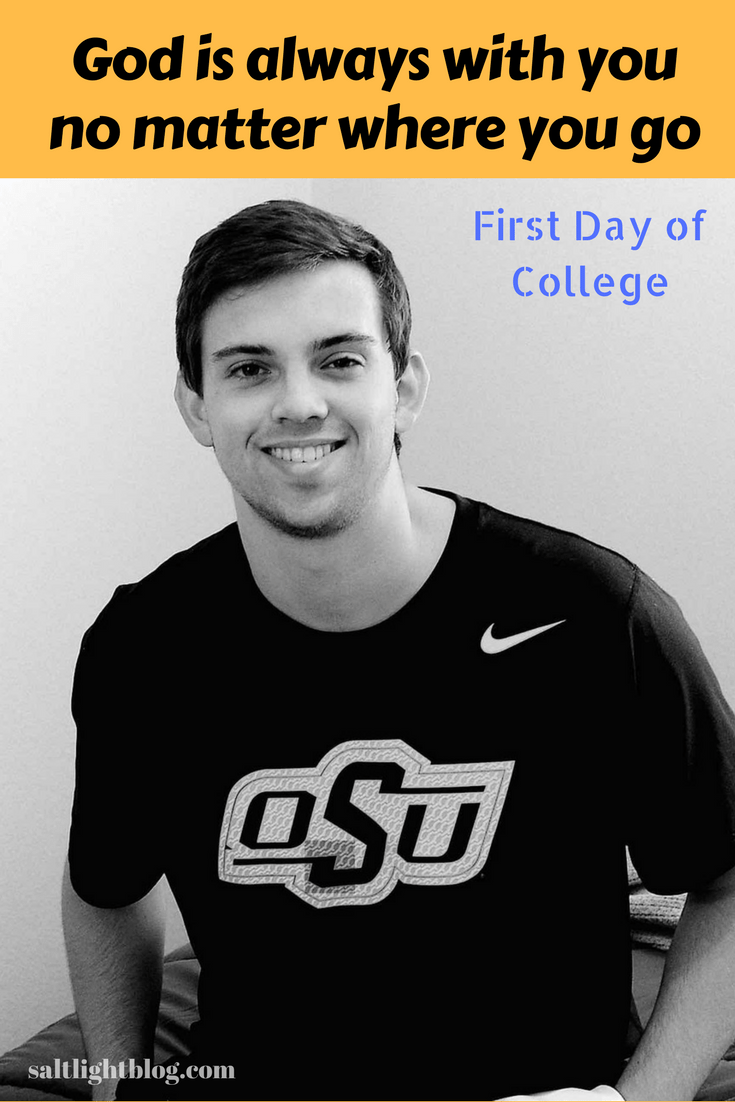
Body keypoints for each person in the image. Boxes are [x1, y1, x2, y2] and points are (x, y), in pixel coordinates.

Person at [63, 199, 735, 1102]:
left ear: (404, 385)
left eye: (339, 359)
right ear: (197, 405)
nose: (299, 403)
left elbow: (727, 874)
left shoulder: (589, 614)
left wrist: (637, 1098)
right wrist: (115, 1081)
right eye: (249, 368)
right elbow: (103, 885)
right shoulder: (142, 648)